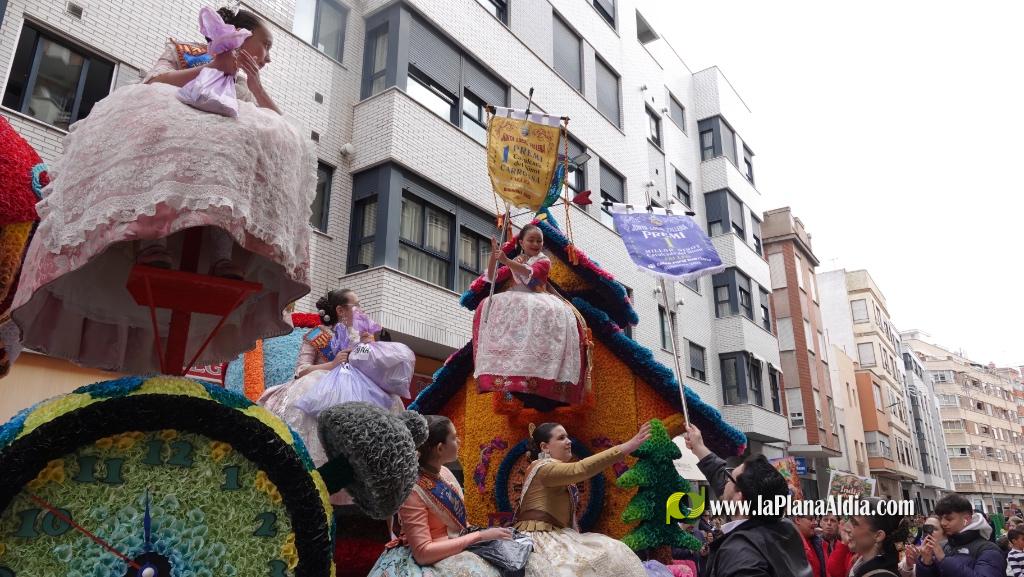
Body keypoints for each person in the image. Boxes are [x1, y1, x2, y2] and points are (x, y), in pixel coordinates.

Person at [12, 6, 315, 373]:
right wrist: (211, 67)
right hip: (170, 165)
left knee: (222, 199)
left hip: (218, 181)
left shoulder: (248, 85)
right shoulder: (184, 50)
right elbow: (154, 83)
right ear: (241, 34)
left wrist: (254, 86)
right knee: (164, 189)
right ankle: (152, 245)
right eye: (265, 45)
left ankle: (222, 258)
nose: (267, 57)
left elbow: (276, 122)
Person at [259, 289, 403, 469]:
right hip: (322, 385)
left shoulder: (361, 337)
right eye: (356, 305)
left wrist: (369, 347)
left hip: (357, 388)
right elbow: (302, 370)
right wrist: (332, 364)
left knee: (391, 398)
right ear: (340, 310)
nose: (360, 310)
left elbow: (371, 371)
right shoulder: (316, 335)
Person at [367, 415, 512, 576]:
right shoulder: (413, 489)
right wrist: (479, 536)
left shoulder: (444, 472)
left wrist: (485, 536)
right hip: (428, 560)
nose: (459, 442)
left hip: (455, 546)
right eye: (454, 437)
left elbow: (459, 525)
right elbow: (422, 553)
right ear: (440, 448)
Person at [513, 421, 650, 577]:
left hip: (556, 534)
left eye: (567, 437)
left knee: (611, 552)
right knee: (599, 558)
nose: (569, 441)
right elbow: (581, 468)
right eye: (561, 438)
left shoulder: (550, 469)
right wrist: (628, 446)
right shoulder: (543, 467)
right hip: (539, 537)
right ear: (545, 447)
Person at [473, 224, 587, 409]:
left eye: (539, 240)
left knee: (537, 312)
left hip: (539, 300)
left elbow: (529, 273)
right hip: (518, 299)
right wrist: (495, 257)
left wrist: (507, 261)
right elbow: (493, 277)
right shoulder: (519, 259)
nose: (535, 244)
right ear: (521, 242)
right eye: (531, 240)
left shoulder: (544, 261)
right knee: (488, 304)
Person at [683, 424, 812, 577]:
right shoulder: (785, 528)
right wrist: (699, 447)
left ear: (740, 498)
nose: (725, 481)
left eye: (730, 477)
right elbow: (721, 478)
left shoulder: (740, 555)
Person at [917, 493, 1005, 577]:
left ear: (966, 519)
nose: (943, 523)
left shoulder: (988, 550)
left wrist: (944, 560)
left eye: (949, 519)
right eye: (941, 518)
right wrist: (926, 564)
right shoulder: (946, 547)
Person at [844, 498, 910, 577]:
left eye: (854, 523)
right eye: (849, 519)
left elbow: (901, 553)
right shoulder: (859, 566)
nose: (846, 528)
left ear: (878, 536)